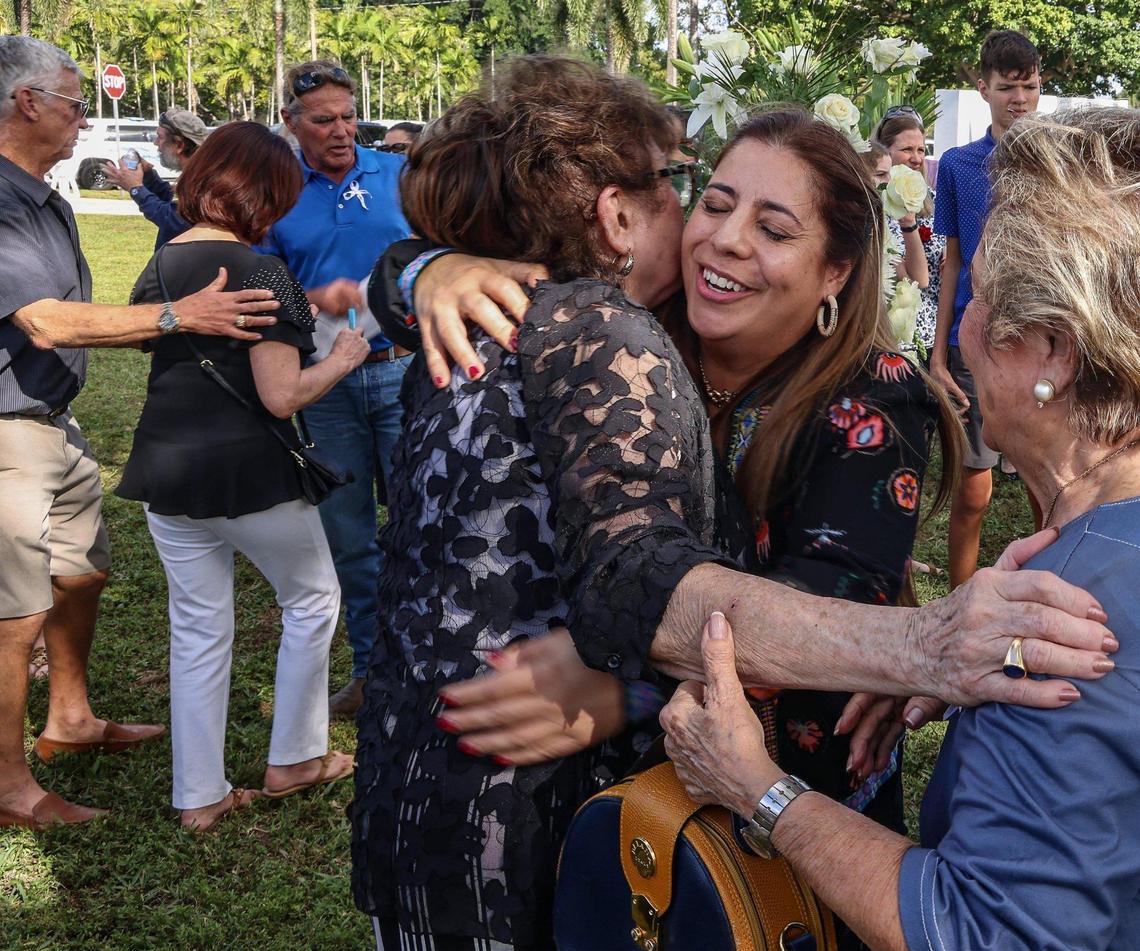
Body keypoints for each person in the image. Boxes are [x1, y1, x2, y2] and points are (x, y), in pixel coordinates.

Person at [351, 57, 1114, 950]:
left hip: (767, 823)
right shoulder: (634, 326)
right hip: (609, 806)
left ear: (835, 272)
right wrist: (424, 269)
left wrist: (623, 688)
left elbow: (832, 622)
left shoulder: (874, 397)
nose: (726, 240)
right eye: (713, 203)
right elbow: (464, 295)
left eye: (774, 228)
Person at [664, 105, 1140, 951]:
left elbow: (985, 932)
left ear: (1053, 355)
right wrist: (928, 665)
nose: (958, 328)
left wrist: (757, 786)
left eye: (983, 297)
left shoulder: (1059, 626)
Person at [0, 35, 282, 830]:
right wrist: (176, 316)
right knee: (14, 610)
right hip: (7, 428)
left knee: (80, 574)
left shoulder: (39, 191)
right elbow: (45, 321)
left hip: (53, 419)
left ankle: (71, 717)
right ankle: (9, 785)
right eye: (74, 100)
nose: (85, 116)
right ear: (27, 103)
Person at [116, 121, 370, 831]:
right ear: (267, 193)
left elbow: (148, 341)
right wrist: (343, 358)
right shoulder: (263, 270)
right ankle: (295, 756)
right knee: (314, 599)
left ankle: (198, 795)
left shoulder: (163, 261)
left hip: (165, 469)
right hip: (249, 474)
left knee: (196, 628)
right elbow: (281, 395)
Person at [262, 59, 412, 719]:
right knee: (348, 534)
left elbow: (440, 250)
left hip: (404, 371)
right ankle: (372, 671)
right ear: (293, 124)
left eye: (348, 116)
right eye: (324, 120)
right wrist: (310, 297)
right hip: (324, 384)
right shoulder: (275, 190)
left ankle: (433, 666)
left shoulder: (397, 174)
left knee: (422, 521)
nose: (342, 130)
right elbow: (260, 279)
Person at [928, 29, 1041, 587]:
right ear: (983, 88)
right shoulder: (956, 165)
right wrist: (938, 350)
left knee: (1053, 488)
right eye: (1006, 87)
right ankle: (958, 601)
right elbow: (951, 262)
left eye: (1029, 86)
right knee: (974, 490)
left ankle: (1054, 595)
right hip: (973, 341)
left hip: (1042, 342)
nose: (1019, 98)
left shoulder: (1056, 161)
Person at [875, 106, 941, 353]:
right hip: (889, 340)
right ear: (884, 151)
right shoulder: (874, 206)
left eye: (921, 150)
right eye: (907, 150)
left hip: (932, 340)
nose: (916, 158)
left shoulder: (934, 201)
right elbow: (915, 278)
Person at [102, 108, 207, 248]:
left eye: (160, 137)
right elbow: (173, 203)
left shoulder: (204, 180)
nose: (156, 143)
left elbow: (174, 220)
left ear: (179, 145)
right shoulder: (196, 174)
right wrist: (149, 176)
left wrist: (136, 189)